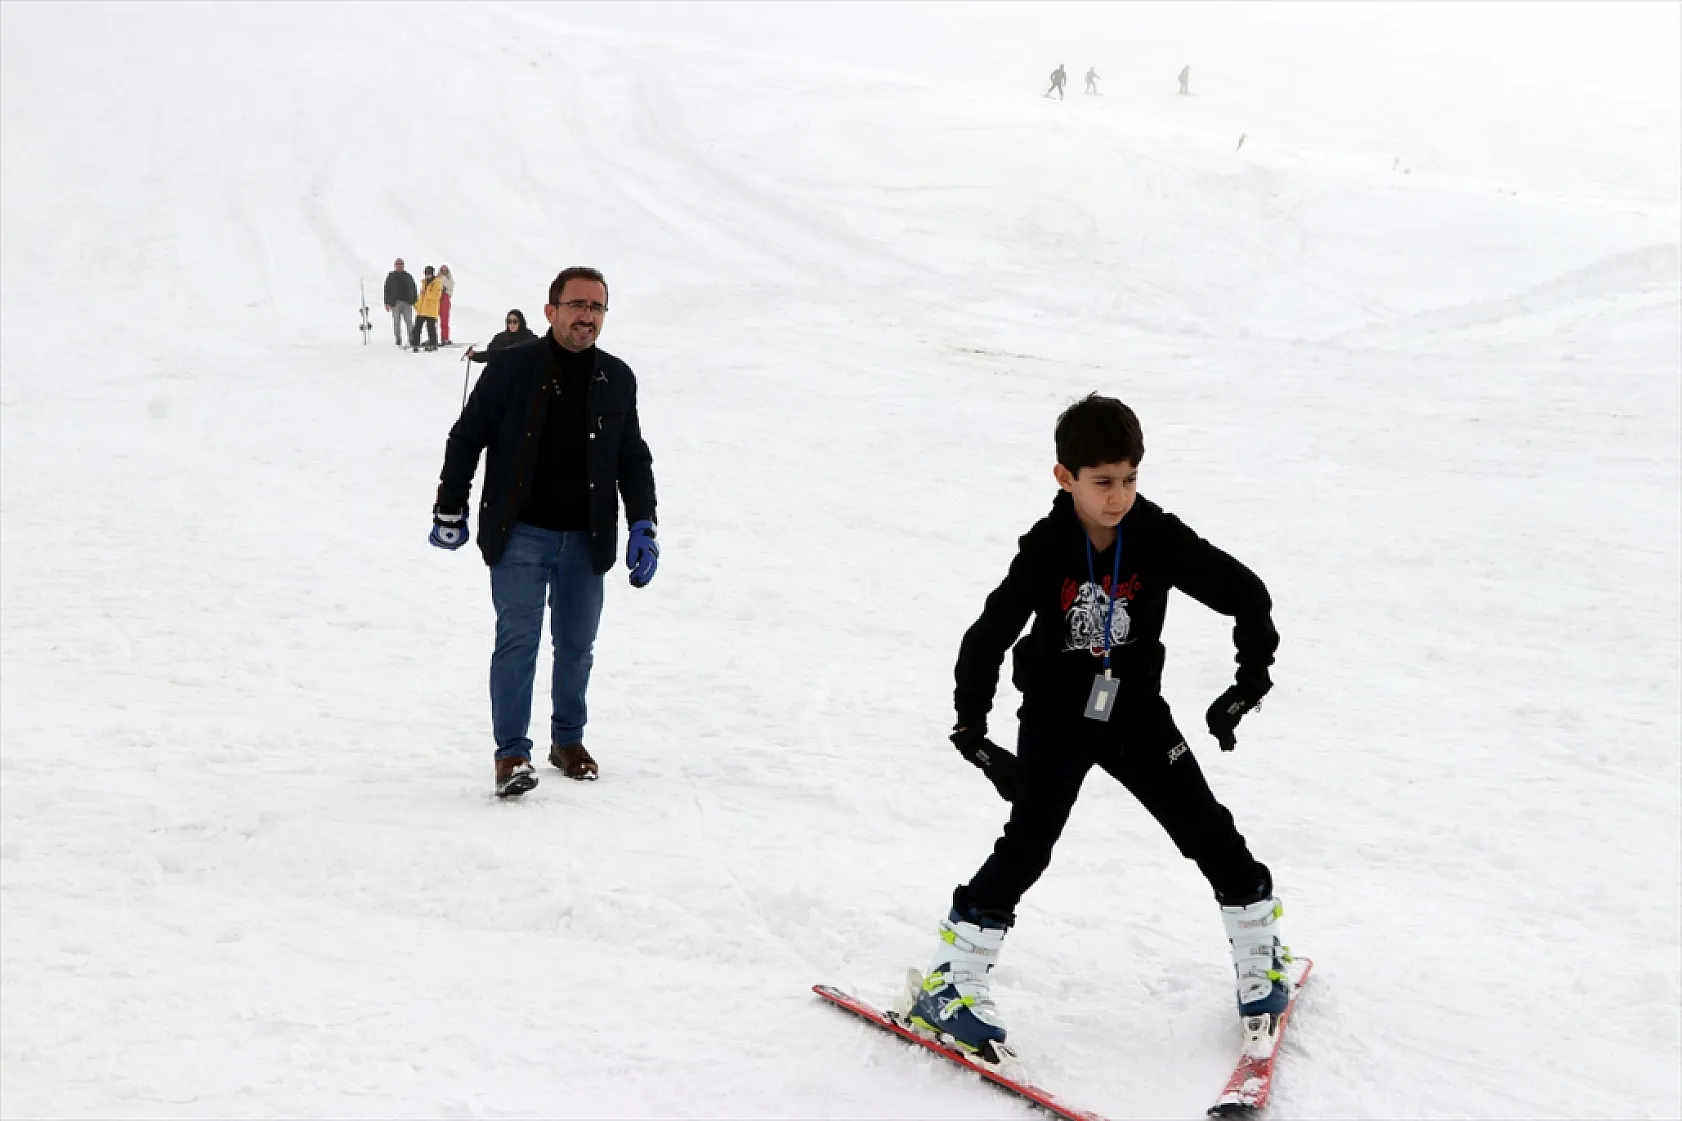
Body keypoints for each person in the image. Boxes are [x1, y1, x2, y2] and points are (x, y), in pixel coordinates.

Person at [908, 394, 1289, 1063]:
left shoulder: (1157, 536)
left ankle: (1262, 953)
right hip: (1057, 716)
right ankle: (952, 981)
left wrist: (1248, 679)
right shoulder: (1048, 546)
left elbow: (1246, 594)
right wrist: (972, 730)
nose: (1119, 497)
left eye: (1130, 479)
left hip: (1135, 712)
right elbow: (987, 636)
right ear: (1066, 478)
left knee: (1206, 828)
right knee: (1028, 843)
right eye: (1103, 482)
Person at [430, 267, 659, 799]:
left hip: (587, 537)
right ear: (551, 310)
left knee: (578, 646)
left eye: (597, 307)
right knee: (518, 643)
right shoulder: (510, 368)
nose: (587, 316)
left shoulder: (616, 378)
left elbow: (632, 456)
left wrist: (644, 521)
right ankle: (511, 753)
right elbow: (468, 438)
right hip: (521, 535)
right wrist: (450, 506)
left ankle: (568, 740)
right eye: (577, 304)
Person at [466, 309, 538, 363]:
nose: (512, 324)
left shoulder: (530, 340)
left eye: (515, 321)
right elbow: (490, 355)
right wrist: (475, 355)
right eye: (509, 322)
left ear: (521, 322)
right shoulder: (500, 339)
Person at [383, 258, 417, 347]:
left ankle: (412, 339)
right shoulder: (391, 276)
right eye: (398, 264)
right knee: (396, 322)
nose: (399, 265)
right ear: (395, 265)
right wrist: (387, 303)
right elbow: (387, 289)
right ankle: (398, 339)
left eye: (401, 264)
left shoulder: (408, 276)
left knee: (409, 322)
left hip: (407, 303)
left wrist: (414, 301)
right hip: (395, 303)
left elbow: (414, 288)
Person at [412, 266, 442, 351]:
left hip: (431, 310)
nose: (427, 275)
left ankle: (433, 344)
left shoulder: (437, 283)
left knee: (431, 328)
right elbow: (421, 296)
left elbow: (436, 296)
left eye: (429, 273)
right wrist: (417, 305)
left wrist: (427, 291)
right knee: (417, 327)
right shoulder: (424, 282)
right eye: (426, 273)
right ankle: (415, 344)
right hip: (422, 309)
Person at [438, 265, 456, 345]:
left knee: (444, 321)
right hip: (437, 299)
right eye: (442, 270)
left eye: (445, 270)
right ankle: (433, 338)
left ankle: (445, 338)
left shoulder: (450, 279)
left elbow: (450, 287)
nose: (444, 272)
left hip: (445, 298)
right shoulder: (438, 278)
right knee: (432, 320)